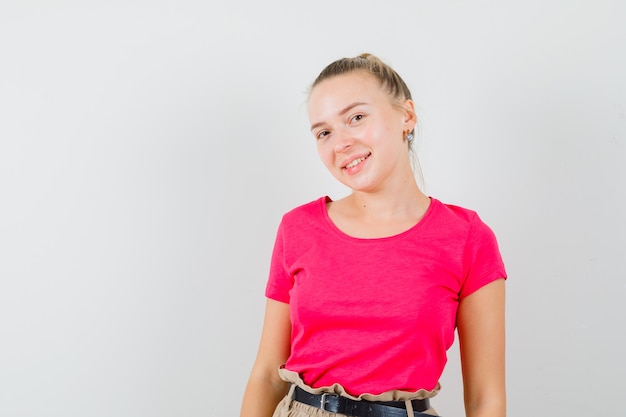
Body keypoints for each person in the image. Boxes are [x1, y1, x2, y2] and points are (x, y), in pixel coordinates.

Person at [240, 53, 507, 417]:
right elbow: (268, 377)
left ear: (406, 117)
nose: (341, 143)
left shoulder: (467, 238)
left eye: (357, 117)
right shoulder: (298, 228)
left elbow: (485, 399)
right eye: (324, 132)